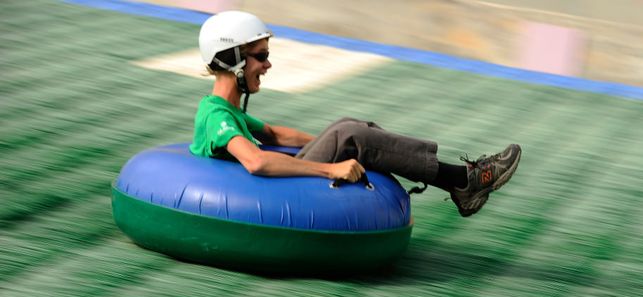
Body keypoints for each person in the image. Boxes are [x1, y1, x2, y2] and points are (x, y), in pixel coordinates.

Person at [190, 11, 521, 217]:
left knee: (348, 128)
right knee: (350, 137)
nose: (267, 64)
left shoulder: (226, 111)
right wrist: (331, 166)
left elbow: (276, 135)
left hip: (264, 187)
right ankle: (463, 181)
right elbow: (256, 161)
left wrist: (345, 141)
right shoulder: (216, 115)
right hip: (260, 194)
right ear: (232, 59)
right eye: (260, 56)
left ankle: (455, 179)